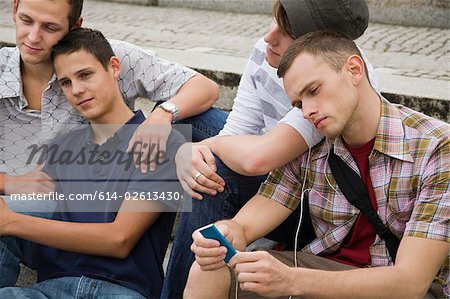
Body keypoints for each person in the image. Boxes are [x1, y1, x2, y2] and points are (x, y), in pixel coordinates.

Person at [186, 31, 449, 299]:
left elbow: (410, 283)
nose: (307, 111)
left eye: (314, 90)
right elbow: (255, 215)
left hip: (401, 286)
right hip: (323, 270)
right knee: (208, 268)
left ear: (354, 70)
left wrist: (292, 280)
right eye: (299, 103)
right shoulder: (313, 140)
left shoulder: (436, 146)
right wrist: (228, 233)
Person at [164, 0, 379, 296]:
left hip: (312, 204)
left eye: (287, 31)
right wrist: (189, 149)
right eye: (274, 20)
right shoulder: (266, 53)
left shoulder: (335, 93)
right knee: (192, 136)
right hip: (282, 179)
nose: (269, 37)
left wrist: (202, 148)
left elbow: (258, 159)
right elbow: (237, 133)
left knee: (212, 177)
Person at [0, 27, 186, 298]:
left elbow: (119, 240)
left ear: (113, 67)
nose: (77, 90)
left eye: (85, 75)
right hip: (50, 289)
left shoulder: (162, 142)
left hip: (122, 290)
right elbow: (28, 203)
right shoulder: (63, 146)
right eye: (66, 82)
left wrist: (10, 222)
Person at [0, 0, 225, 196]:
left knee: (203, 130)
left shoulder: (102, 56)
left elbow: (204, 87)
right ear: (15, 8)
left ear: (75, 25)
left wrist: (162, 116)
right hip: (15, 208)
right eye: (26, 20)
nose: (33, 37)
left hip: (90, 203)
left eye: (50, 27)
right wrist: (9, 183)